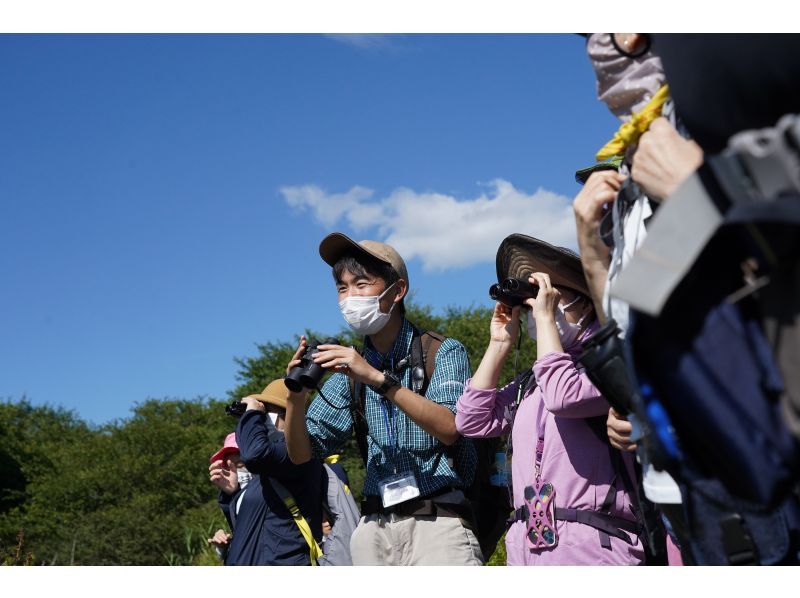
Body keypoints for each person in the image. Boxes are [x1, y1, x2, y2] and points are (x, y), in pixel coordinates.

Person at [283, 232, 483, 566]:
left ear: (397, 290)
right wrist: (295, 399)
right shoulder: (349, 373)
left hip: (437, 521)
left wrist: (377, 378)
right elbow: (302, 455)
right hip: (374, 529)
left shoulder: (441, 351)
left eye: (362, 284)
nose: (350, 298)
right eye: (342, 288)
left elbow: (450, 427)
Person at [455, 234, 645, 565]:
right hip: (527, 548)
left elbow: (564, 397)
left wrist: (545, 318)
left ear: (586, 303)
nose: (537, 312)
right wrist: (499, 344)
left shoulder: (612, 367)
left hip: (593, 548)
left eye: (551, 301)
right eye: (529, 307)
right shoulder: (533, 382)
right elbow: (472, 421)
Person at [208, 380, 324, 565]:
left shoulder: (299, 455)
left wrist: (253, 413)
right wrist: (235, 494)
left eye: (265, 413)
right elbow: (253, 533)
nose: (261, 421)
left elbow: (255, 454)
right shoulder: (266, 474)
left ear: (290, 416)